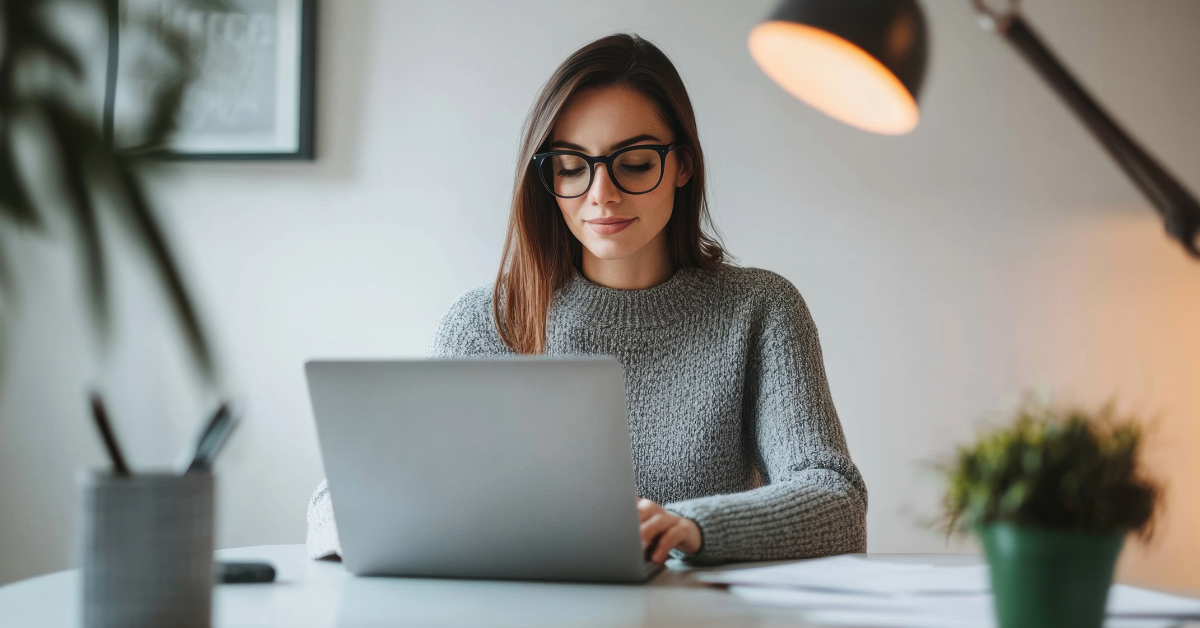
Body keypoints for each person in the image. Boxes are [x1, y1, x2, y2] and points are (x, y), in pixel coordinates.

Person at [307, 33, 866, 565]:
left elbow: (836, 499)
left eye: (635, 163)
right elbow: (344, 496)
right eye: (572, 167)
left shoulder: (760, 309)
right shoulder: (485, 323)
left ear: (684, 164)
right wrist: (357, 524)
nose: (602, 195)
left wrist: (689, 527)